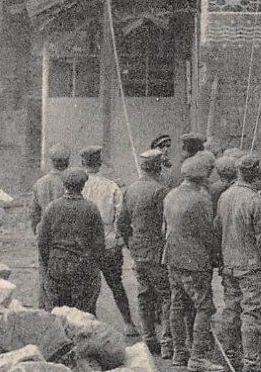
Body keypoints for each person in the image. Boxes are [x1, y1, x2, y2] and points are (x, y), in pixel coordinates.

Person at [215, 154, 261, 372]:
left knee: (231, 309)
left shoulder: (225, 196)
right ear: (256, 176)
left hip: (229, 263)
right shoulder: (255, 200)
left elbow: (217, 228)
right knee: (252, 312)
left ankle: (230, 356)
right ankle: (251, 362)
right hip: (251, 266)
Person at [163, 154, 225, 372]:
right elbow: (207, 232)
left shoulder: (171, 195)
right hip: (194, 260)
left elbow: (166, 227)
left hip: (172, 256)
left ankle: (180, 352)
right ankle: (198, 356)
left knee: (177, 304)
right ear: (203, 176)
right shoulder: (201, 198)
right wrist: (216, 255)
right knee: (204, 306)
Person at [117, 149, 172, 357]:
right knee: (167, 295)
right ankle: (167, 342)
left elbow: (121, 222)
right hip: (156, 250)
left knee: (144, 294)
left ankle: (149, 338)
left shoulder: (131, 190)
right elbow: (166, 225)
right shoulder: (160, 191)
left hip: (138, 248)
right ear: (158, 167)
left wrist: (130, 242)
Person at [80, 146, 138, 337]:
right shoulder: (111, 186)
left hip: (86, 243)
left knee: (88, 286)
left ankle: (90, 323)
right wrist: (119, 238)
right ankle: (128, 323)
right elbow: (121, 216)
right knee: (116, 284)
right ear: (99, 163)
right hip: (108, 241)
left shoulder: (79, 185)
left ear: (83, 163)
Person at [37, 167, 105, 313]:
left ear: (64, 185)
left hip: (57, 266)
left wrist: (48, 263)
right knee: (83, 313)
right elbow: (99, 244)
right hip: (82, 267)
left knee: (58, 313)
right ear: (83, 186)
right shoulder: (91, 209)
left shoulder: (52, 208)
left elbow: (42, 241)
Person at [29, 143, 70, 234]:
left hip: (46, 231)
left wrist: (37, 233)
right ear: (67, 161)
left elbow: (34, 213)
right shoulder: (71, 182)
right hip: (66, 233)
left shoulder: (40, 183)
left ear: (51, 161)